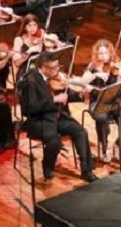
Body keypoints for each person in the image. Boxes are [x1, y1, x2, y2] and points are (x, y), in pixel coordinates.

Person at [21, 52, 97, 182]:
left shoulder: (54, 79)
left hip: (56, 116)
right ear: (43, 67)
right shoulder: (30, 81)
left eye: (58, 66)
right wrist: (54, 99)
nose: (57, 70)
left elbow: (64, 97)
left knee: (80, 131)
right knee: (55, 142)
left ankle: (87, 170)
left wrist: (80, 95)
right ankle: (48, 166)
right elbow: (31, 108)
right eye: (54, 67)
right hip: (40, 119)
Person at [81, 39, 121, 165]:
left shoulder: (115, 65)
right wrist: (95, 76)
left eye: (106, 53)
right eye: (101, 53)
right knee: (101, 118)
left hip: (116, 100)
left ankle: (119, 146)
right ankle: (103, 147)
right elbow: (83, 82)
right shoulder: (92, 67)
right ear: (96, 54)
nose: (104, 57)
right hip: (98, 101)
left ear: (110, 53)